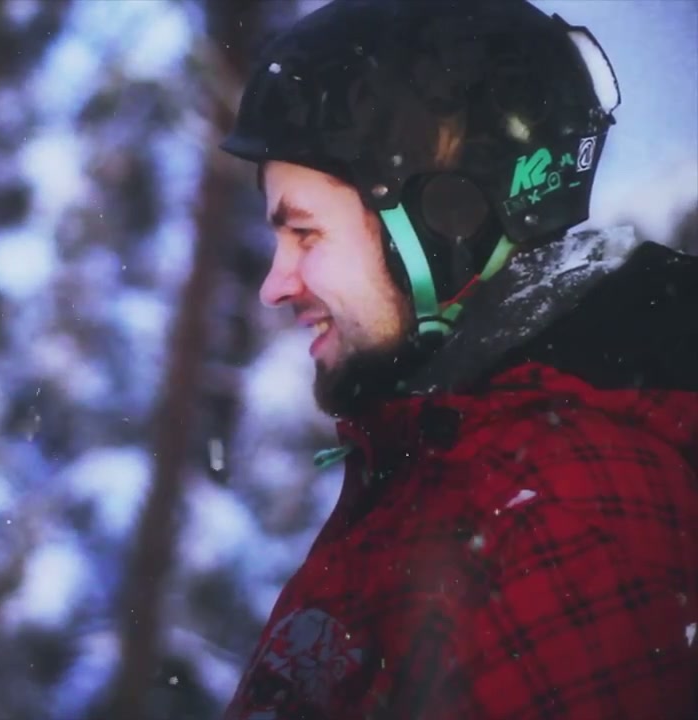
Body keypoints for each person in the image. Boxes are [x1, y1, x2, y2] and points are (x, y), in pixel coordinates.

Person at [219, 1, 698, 718]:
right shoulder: (447, 460)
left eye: (306, 234)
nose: (274, 284)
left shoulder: (558, 516)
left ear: (443, 227)